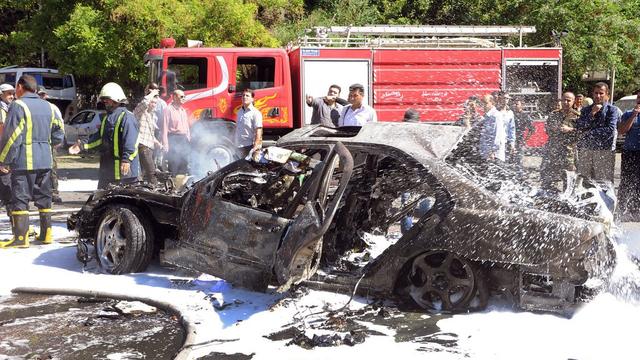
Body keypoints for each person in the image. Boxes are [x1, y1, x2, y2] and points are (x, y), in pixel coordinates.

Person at [0, 75, 64, 248]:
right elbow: (59, 132)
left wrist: (3, 160)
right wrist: (48, 143)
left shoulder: (18, 105)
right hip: (45, 160)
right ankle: (46, 234)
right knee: (44, 197)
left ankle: (21, 238)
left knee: (20, 197)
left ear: (20, 86)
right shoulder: (49, 106)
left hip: (24, 161)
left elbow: (12, 136)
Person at [69, 82, 140, 189]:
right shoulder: (107, 118)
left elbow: (131, 142)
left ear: (117, 99)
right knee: (102, 201)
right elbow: (99, 139)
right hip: (108, 172)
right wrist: (81, 145)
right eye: (103, 99)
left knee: (124, 203)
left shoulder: (127, 117)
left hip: (125, 174)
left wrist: (126, 160)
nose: (104, 102)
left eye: (107, 99)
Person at [575, 82, 619, 183]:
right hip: (586, 150)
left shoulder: (612, 110)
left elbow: (610, 130)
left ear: (607, 94)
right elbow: (580, 126)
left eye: (601, 93)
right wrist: (592, 114)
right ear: (593, 94)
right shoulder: (586, 110)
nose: (598, 96)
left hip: (604, 151)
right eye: (596, 93)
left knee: (603, 183)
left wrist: (589, 132)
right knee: (585, 181)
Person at [540, 91, 580, 192]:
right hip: (553, 151)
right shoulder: (554, 114)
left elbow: (582, 132)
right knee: (548, 175)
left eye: (568, 100)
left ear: (573, 102)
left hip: (568, 153)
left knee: (569, 177)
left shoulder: (577, 116)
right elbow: (547, 129)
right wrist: (554, 129)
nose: (566, 102)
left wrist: (570, 129)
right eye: (564, 100)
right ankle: (550, 196)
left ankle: (567, 199)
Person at [37, 86, 63, 204]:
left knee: (52, 168)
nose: (42, 97)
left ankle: (54, 192)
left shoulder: (52, 108)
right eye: (40, 94)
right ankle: (37, 192)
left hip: (49, 143)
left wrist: (58, 140)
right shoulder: (31, 107)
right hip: (35, 143)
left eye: (43, 94)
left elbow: (59, 125)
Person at [616, 89, 640, 219]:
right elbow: (621, 131)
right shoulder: (628, 114)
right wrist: (634, 115)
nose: (639, 99)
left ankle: (635, 209)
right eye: (638, 97)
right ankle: (621, 208)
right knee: (626, 180)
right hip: (630, 152)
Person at [134, 88, 162, 184]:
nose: (154, 105)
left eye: (155, 103)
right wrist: (152, 93)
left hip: (149, 147)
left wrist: (157, 142)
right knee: (152, 173)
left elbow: (150, 133)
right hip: (142, 146)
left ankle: (141, 192)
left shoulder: (152, 115)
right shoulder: (140, 111)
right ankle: (155, 190)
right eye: (152, 102)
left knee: (143, 173)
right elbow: (144, 102)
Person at [162, 90, 190, 176]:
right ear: (174, 97)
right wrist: (165, 144)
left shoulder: (183, 110)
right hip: (173, 139)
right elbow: (164, 127)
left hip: (183, 139)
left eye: (184, 96)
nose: (184, 98)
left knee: (184, 163)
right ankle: (173, 185)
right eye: (181, 96)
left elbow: (186, 125)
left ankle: (182, 185)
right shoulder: (168, 109)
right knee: (174, 164)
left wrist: (188, 137)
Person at [0, 83, 15, 224]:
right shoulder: (1, 110)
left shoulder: (10, 109)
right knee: (7, 190)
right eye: (8, 93)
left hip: (6, 155)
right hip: (2, 157)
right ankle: (16, 226)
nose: (11, 96)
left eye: (12, 93)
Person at [234, 88, 263, 158]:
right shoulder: (239, 112)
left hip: (250, 146)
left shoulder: (256, 113)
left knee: (249, 167)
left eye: (247, 96)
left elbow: (258, 130)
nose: (244, 97)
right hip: (239, 146)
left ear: (252, 99)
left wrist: (256, 146)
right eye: (243, 95)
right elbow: (237, 128)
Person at [479, 94, 506, 161]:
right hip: (486, 153)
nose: (484, 106)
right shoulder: (487, 116)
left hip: (494, 155)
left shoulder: (495, 116)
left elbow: (498, 135)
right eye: (483, 103)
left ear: (492, 103)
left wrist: (492, 151)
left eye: (486, 103)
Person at [510, 98, 535, 167]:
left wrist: (525, 140)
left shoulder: (525, 116)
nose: (515, 105)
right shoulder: (510, 114)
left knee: (518, 161)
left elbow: (532, 129)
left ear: (522, 106)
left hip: (519, 141)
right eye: (514, 104)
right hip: (510, 141)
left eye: (517, 104)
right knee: (509, 161)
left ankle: (519, 176)